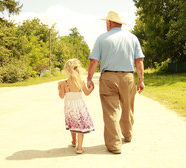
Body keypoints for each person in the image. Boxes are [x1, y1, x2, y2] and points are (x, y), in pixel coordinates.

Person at [87, 10, 145, 154]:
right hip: (128, 77)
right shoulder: (132, 38)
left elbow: (94, 61)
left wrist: (89, 78)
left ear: (110, 23)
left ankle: (114, 145)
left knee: (111, 112)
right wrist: (141, 80)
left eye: (106, 22)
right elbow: (139, 61)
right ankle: (128, 134)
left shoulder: (102, 38)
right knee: (127, 108)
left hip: (108, 78)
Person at [58, 58, 94, 154]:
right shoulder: (80, 82)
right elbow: (86, 93)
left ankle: (74, 141)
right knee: (80, 127)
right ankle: (79, 148)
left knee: (73, 124)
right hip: (80, 106)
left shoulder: (64, 83)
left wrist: (59, 89)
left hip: (70, 108)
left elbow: (61, 96)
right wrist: (91, 88)